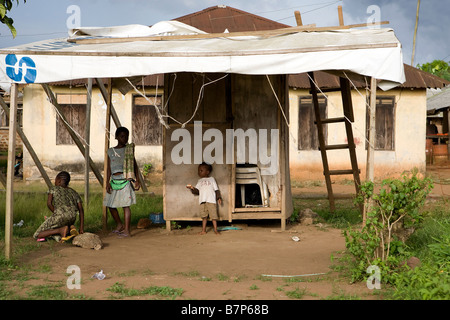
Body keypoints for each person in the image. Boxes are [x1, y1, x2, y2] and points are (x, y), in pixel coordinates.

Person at [104, 126, 140, 237]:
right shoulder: (110, 151)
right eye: (122, 136)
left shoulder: (128, 150)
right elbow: (109, 168)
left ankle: (127, 231)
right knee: (110, 205)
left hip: (125, 180)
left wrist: (137, 180)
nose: (125, 139)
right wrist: (107, 182)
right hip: (114, 181)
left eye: (126, 136)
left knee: (125, 206)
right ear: (116, 137)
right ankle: (119, 225)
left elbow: (134, 166)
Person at [33, 171, 84, 242]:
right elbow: (81, 210)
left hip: (60, 215)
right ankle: (70, 228)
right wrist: (81, 228)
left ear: (59, 181)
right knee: (60, 224)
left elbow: (49, 204)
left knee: (38, 234)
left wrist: (57, 213)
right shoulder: (74, 192)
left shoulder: (54, 189)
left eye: (55, 180)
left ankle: (60, 230)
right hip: (72, 217)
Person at [187, 162, 222, 235]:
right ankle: (203, 230)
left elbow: (216, 189)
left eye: (201, 170)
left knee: (214, 217)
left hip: (211, 201)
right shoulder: (199, 181)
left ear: (207, 172)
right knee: (204, 217)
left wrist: (218, 197)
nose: (199, 172)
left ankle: (215, 230)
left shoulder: (212, 179)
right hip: (203, 201)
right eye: (199, 170)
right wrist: (192, 188)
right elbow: (197, 191)